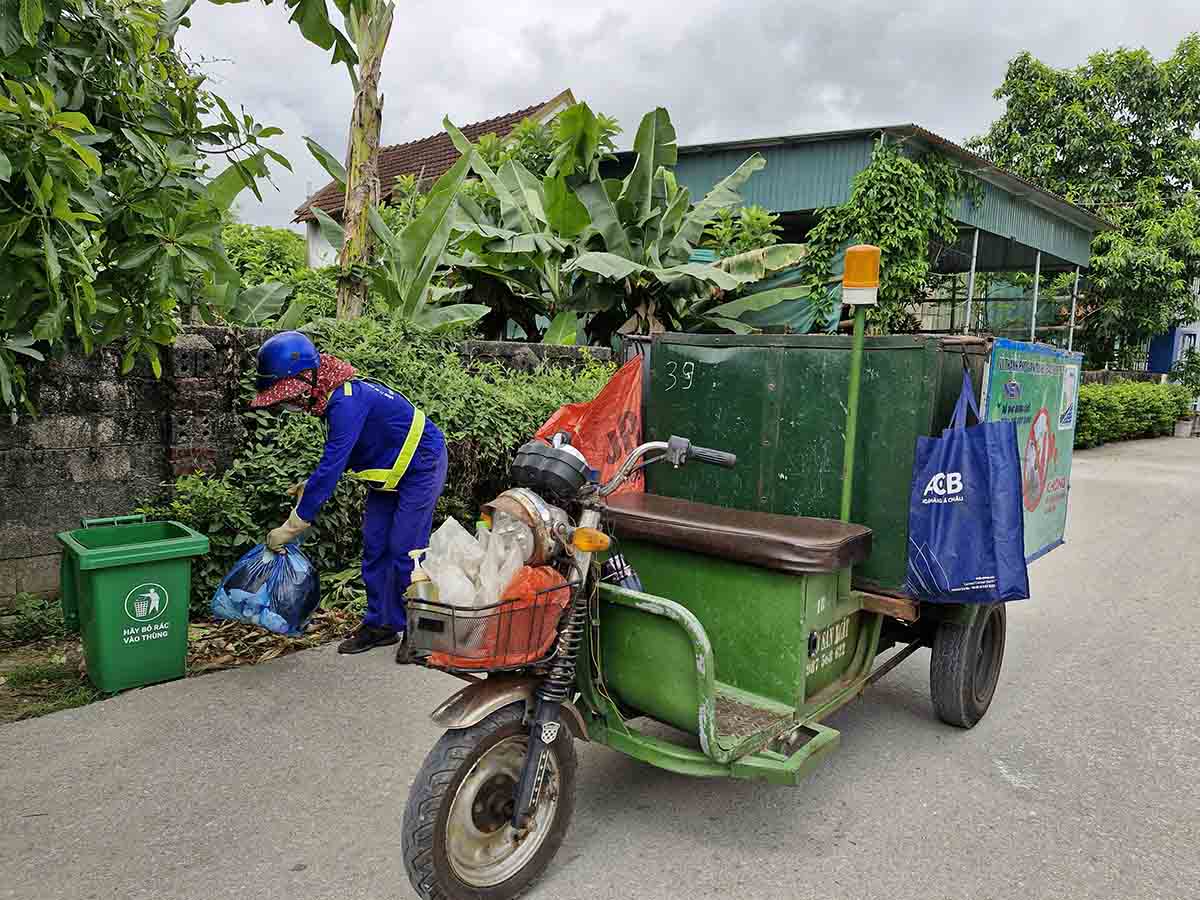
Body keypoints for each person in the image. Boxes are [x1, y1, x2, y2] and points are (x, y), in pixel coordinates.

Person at [250, 331, 448, 658]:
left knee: (405, 551)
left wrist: (294, 524)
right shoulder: (333, 398)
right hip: (388, 472)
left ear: (309, 378)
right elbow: (350, 453)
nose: (291, 403)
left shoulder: (347, 401)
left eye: (290, 395)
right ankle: (381, 625)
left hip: (422, 466)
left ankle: (421, 632)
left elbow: (332, 463)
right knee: (374, 546)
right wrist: (309, 490)